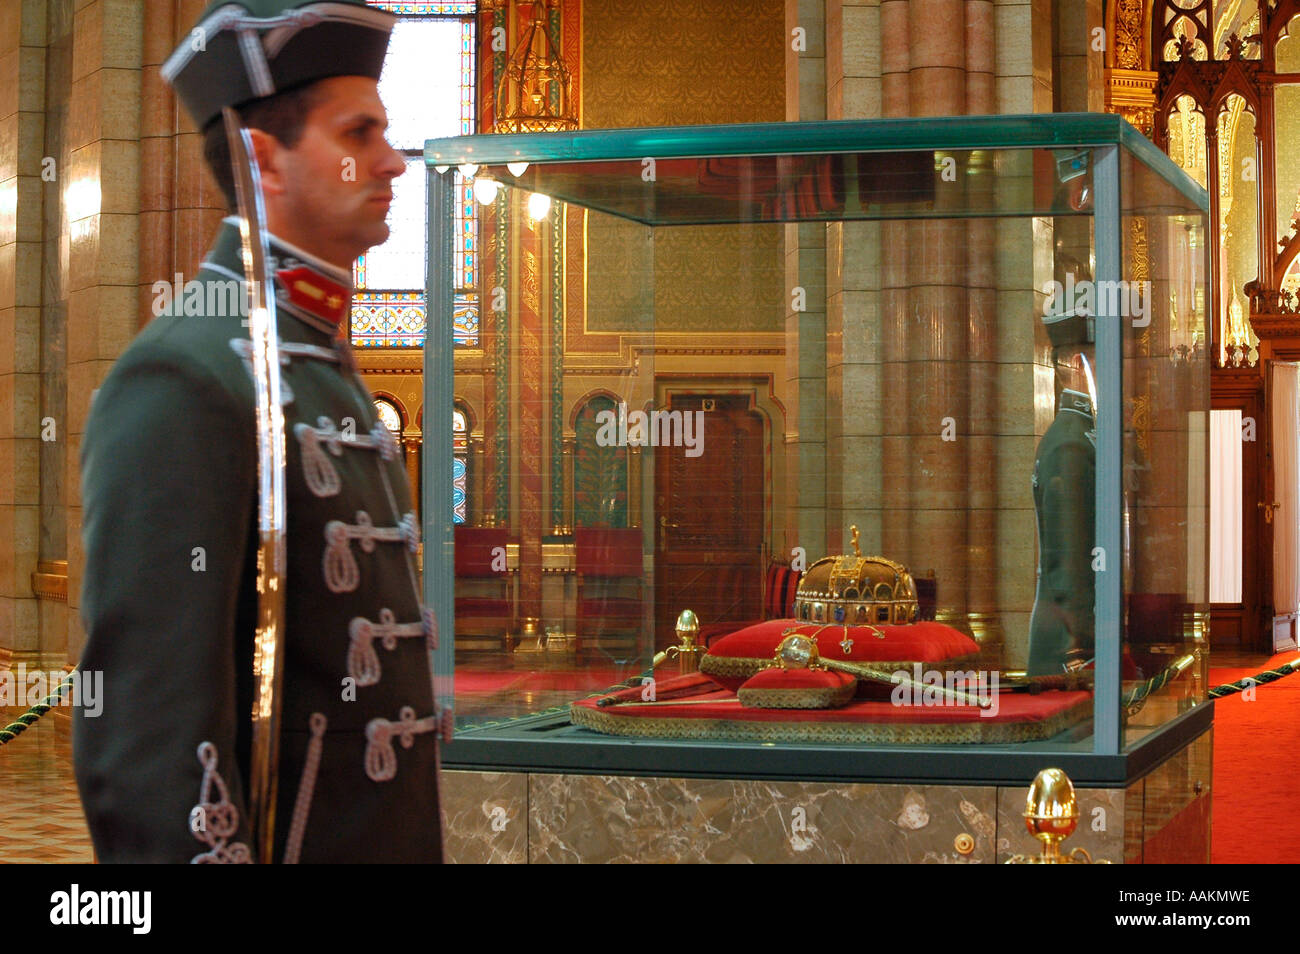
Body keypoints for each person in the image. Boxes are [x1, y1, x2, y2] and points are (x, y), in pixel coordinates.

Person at [73, 0, 444, 863]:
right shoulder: (183, 378)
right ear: (261, 158)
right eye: (360, 133)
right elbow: (149, 753)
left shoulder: (319, 363)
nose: (393, 161)